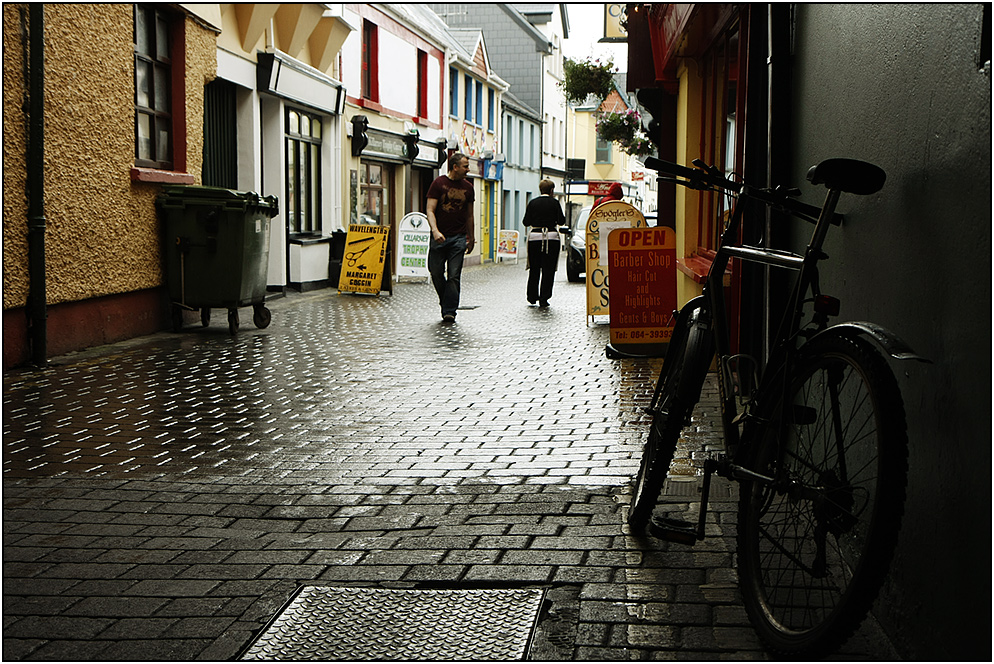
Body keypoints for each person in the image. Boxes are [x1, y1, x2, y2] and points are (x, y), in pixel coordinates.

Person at [426, 153, 475, 322]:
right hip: (439, 237)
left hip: (458, 238)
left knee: (454, 276)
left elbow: (470, 216)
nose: (468, 169)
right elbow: (430, 210)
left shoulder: (468, 187)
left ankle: (450, 311)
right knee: (436, 272)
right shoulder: (438, 184)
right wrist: (435, 231)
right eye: (465, 166)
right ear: (455, 167)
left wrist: (472, 237)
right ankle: (446, 301)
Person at [522, 179, 566, 307]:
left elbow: (526, 222)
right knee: (549, 269)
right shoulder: (555, 203)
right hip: (551, 238)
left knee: (534, 268)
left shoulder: (533, 203)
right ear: (552, 190)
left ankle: (532, 296)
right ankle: (544, 298)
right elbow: (561, 221)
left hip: (534, 238)